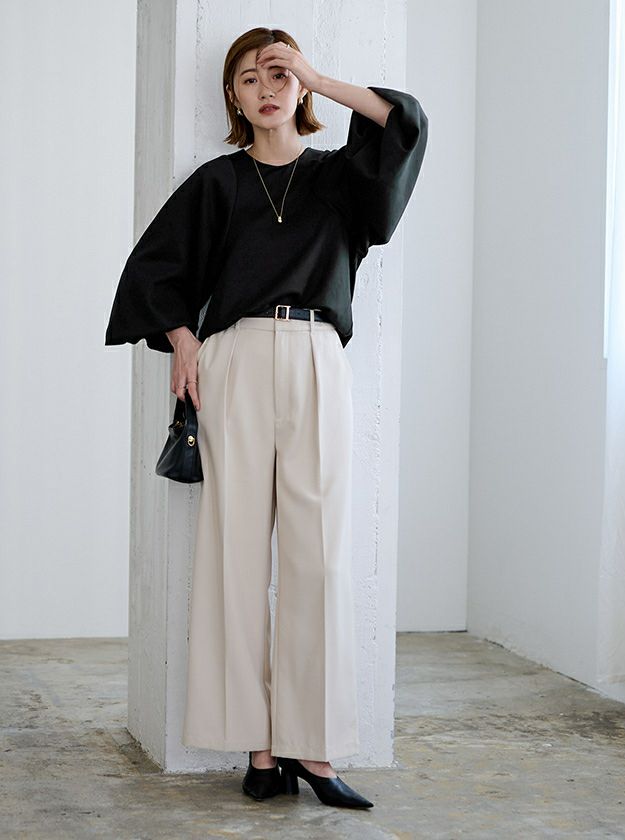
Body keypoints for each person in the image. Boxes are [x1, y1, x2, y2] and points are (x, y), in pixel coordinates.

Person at [105, 26, 428, 809]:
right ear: (233, 97)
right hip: (236, 360)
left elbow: (405, 122)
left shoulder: (339, 180)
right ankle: (257, 744)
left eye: (279, 74)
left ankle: (312, 748)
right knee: (235, 550)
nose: (267, 88)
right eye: (250, 78)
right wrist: (183, 339)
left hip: (317, 356)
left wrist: (320, 75)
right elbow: (152, 270)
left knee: (319, 556)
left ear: (301, 87)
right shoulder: (217, 183)